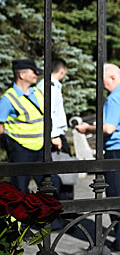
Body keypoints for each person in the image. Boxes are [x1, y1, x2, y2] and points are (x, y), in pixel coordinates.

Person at [75, 64, 120, 251]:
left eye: (103, 80)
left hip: (119, 149)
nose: (103, 85)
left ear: (112, 77)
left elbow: (108, 128)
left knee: (118, 196)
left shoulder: (115, 98)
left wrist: (86, 128)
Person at [0, 58, 61, 192]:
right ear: (22, 74)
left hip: (41, 149)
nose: (36, 75)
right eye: (33, 72)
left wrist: (53, 136)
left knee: (52, 186)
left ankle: (50, 213)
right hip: (20, 150)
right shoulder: (8, 99)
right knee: (19, 191)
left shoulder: (38, 93)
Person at [36, 58, 74, 201]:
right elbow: (48, 113)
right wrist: (53, 135)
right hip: (55, 135)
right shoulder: (49, 86)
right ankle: (63, 209)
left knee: (63, 174)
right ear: (62, 70)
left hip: (56, 134)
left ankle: (64, 208)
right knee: (60, 175)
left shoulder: (52, 85)